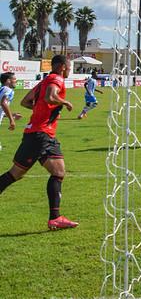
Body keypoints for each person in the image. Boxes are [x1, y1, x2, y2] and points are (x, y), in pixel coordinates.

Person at [0, 55, 79, 230]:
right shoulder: (56, 78)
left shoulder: (43, 81)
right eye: (69, 67)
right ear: (61, 67)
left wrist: (40, 110)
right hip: (39, 135)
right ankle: (55, 217)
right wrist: (64, 102)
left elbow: (25, 101)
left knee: (58, 171)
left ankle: (55, 218)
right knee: (15, 174)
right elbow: (51, 97)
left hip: (45, 135)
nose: (70, 70)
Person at [0, 72, 22, 152]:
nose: (16, 81)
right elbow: (3, 103)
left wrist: (12, 115)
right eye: (14, 79)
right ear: (8, 81)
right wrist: (11, 120)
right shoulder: (8, 90)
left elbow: (1, 108)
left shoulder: (2, 89)